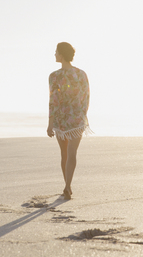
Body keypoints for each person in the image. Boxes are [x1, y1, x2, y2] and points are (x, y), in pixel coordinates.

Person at [47, 42, 91, 200]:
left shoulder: (54, 76)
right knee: (72, 153)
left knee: (64, 154)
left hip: (61, 119)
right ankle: (67, 186)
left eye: (56, 52)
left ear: (61, 54)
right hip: (76, 118)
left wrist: (50, 123)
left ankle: (68, 186)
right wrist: (82, 115)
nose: (54, 54)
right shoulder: (81, 74)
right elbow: (86, 96)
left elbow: (53, 100)